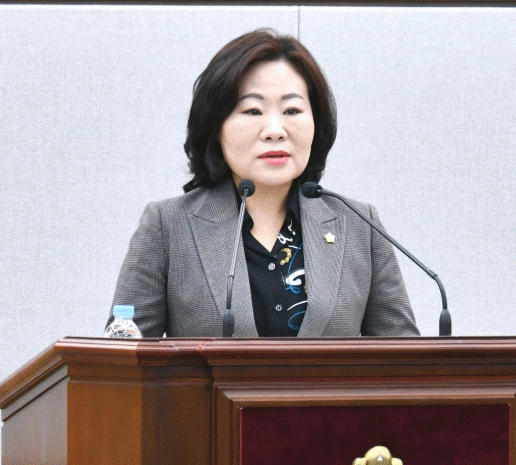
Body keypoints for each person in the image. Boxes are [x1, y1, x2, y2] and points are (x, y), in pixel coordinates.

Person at [106, 28, 419, 338]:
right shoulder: (168, 227)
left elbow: (404, 357)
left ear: (316, 121)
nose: (275, 130)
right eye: (253, 110)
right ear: (216, 126)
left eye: (292, 110)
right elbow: (125, 356)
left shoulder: (361, 227)